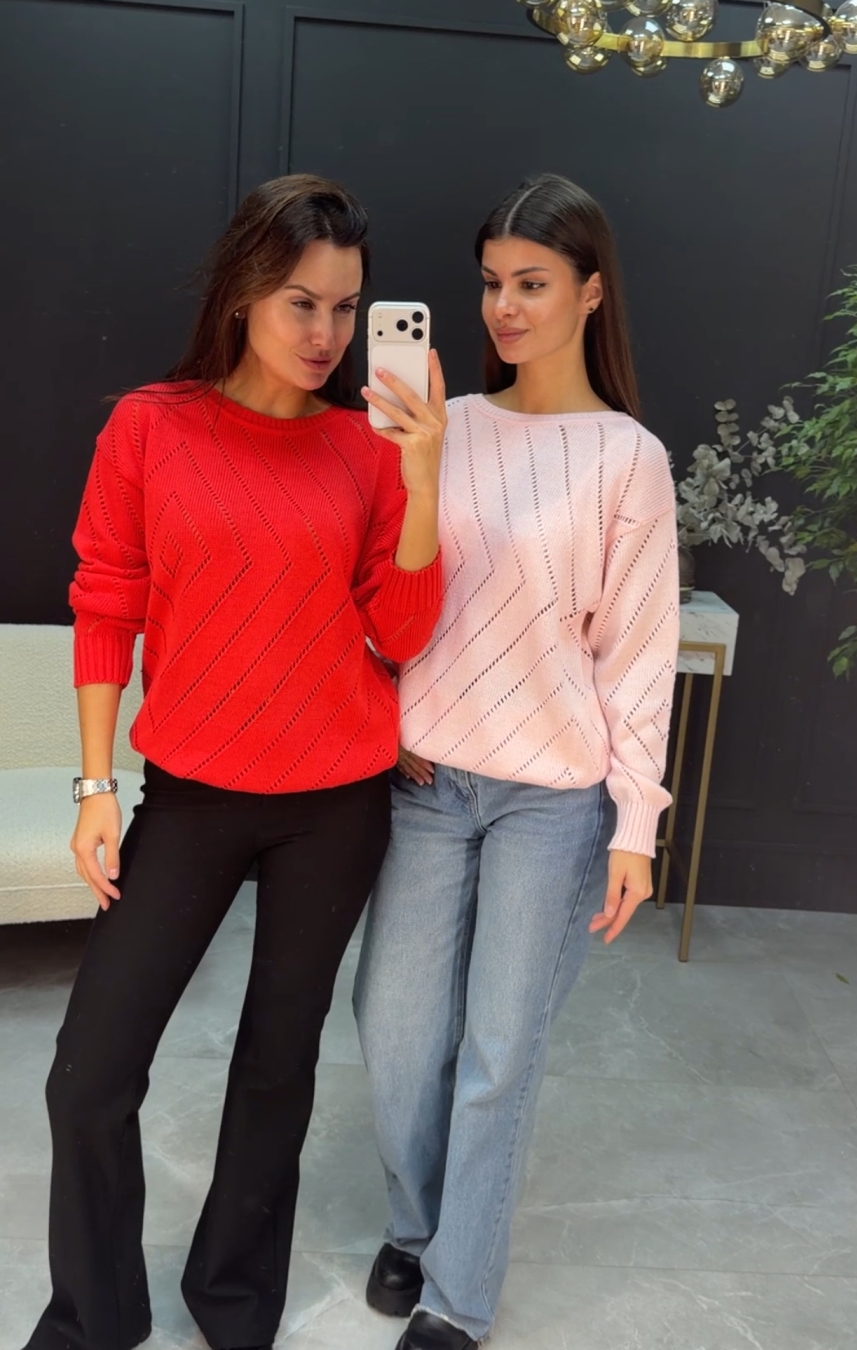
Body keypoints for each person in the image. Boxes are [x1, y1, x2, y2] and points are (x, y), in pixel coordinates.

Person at [24, 173, 446, 1350]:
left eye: (347, 308)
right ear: (244, 291)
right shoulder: (151, 426)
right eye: (303, 303)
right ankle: (94, 1319)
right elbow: (106, 598)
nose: (327, 334)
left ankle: (234, 1303)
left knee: (275, 1067)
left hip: (335, 804)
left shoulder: (369, 449)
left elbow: (402, 631)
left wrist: (421, 479)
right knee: (88, 1077)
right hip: (191, 795)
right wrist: (95, 787)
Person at [353, 173, 679, 1350]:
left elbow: (637, 654)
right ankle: (417, 1218)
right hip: (429, 783)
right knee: (393, 1031)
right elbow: (384, 591)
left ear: (590, 292)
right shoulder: (443, 423)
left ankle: (457, 1291)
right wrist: (417, 463)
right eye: (492, 282)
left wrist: (634, 825)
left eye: (533, 284)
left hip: (553, 798)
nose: (504, 307)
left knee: (500, 1052)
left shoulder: (628, 457)